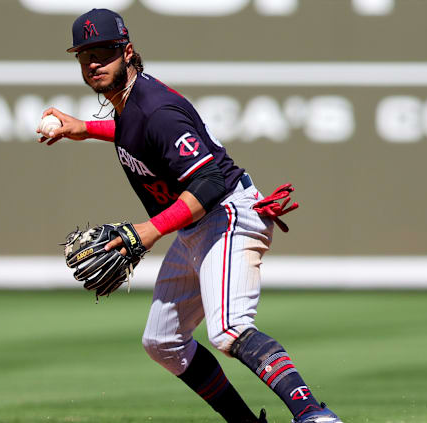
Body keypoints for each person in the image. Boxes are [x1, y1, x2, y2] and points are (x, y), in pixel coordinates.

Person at [37, 9, 344, 423]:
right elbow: (138, 133)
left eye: (105, 51)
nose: (94, 62)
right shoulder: (131, 102)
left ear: (127, 52)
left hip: (227, 214)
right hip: (195, 223)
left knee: (229, 328)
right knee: (163, 342)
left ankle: (313, 415)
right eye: (85, 54)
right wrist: (88, 129)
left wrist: (150, 230)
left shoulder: (155, 109)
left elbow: (209, 182)